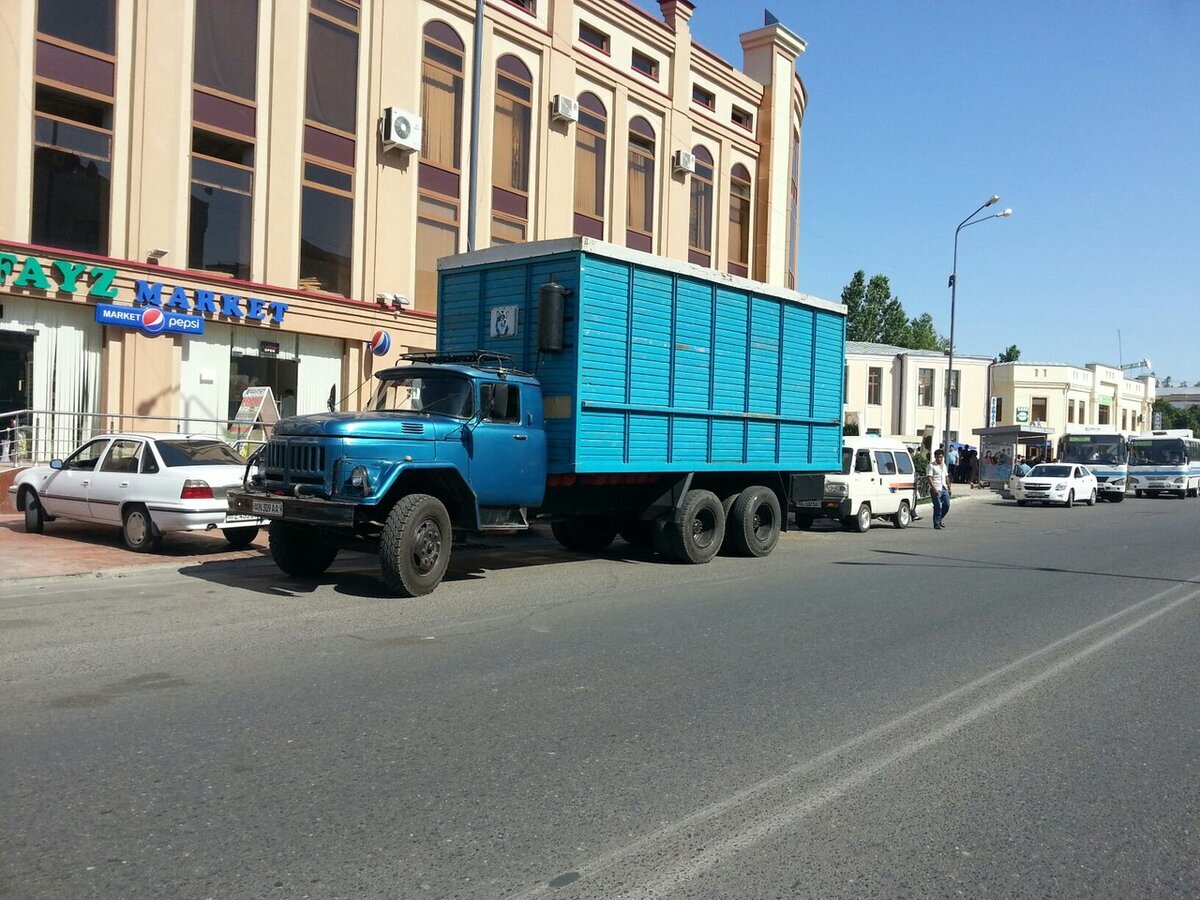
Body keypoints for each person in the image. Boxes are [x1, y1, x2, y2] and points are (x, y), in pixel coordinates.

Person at [927, 448, 951, 530]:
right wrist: (934, 489)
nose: (939, 459)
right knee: (937, 506)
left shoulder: (944, 465)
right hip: (936, 488)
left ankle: (939, 519)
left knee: (947, 505)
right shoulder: (931, 466)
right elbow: (929, 478)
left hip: (944, 488)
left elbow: (946, 477)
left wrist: (949, 487)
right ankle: (936, 523)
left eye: (941, 457)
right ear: (935, 457)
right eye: (937, 457)